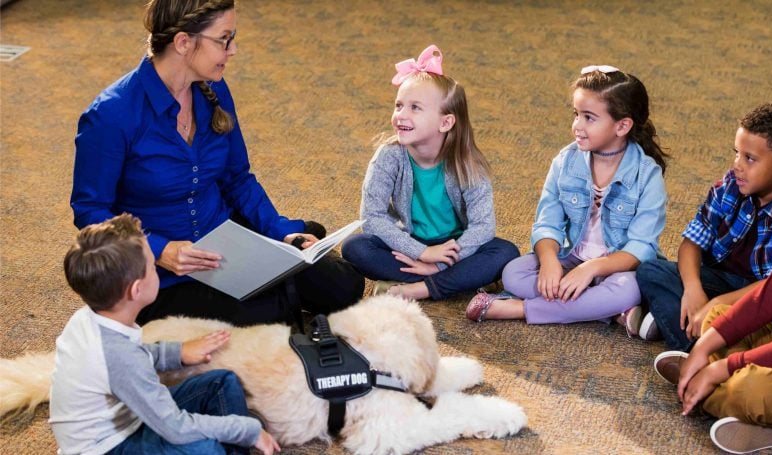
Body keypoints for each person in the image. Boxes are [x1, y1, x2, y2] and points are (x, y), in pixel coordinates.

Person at [70, 0, 364, 327]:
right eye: (224, 39)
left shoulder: (216, 90)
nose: (233, 49)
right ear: (183, 42)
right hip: (158, 274)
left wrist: (280, 232)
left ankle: (288, 239)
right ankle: (288, 257)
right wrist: (159, 249)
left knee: (344, 287)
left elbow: (237, 178)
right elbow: (90, 211)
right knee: (265, 314)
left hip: (225, 244)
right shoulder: (111, 115)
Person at [653, 140, 772, 453]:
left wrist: (719, 368)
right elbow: (764, 301)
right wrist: (705, 346)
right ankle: (745, 407)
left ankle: (717, 393)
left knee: (751, 390)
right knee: (718, 320)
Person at [50, 214, 280, 455]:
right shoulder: (119, 355)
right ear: (136, 290)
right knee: (206, 449)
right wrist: (247, 430)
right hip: (110, 446)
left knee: (222, 382)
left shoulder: (91, 319)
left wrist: (177, 352)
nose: (157, 268)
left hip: (128, 418)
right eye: (153, 266)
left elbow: (130, 358)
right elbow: (175, 428)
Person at [466, 65, 668, 329]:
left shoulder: (647, 175)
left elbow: (640, 248)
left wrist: (591, 269)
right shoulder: (565, 161)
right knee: (513, 273)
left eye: (589, 117)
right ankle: (607, 311)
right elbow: (547, 223)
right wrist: (550, 262)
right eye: (576, 114)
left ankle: (520, 308)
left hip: (619, 267)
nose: (577, 126)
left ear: (622, 126)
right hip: (573, 257)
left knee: (628, 289)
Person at [341, 45, 519, 301]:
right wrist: (423, 253)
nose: (401, 115)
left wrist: (440, 263)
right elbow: (372, 217)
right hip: (410, 242)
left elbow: (483, 226)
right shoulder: (389, 156)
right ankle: (457, 282)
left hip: (455, 246)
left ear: (445, 122)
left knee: (505, 252)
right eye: (398, 105)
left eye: (415, 107)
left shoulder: (468, 164)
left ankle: (421, 287)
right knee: (355, 247)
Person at [636, 102, 772, 348]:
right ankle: (703, 348)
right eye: (736, 152)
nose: (737, 164)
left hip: (764, 296)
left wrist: (720, 304)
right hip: (717, 282)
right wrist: (693, 289)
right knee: (650, 271)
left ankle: (688, 337)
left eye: (749, 158)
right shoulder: (729, 185)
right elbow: (691, 243)